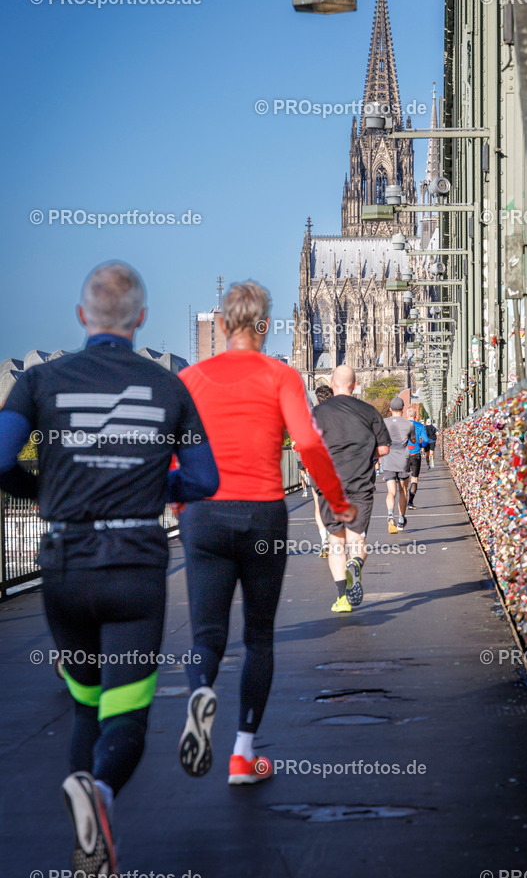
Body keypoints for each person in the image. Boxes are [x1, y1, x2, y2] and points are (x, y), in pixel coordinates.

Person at [0, 262, 219, 878]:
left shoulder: (40, 382)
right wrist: (153, 481)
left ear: (81, 317)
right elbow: (204, 479)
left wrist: (39, 489)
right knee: (126, 714)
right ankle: (96, 795)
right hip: (135, 568)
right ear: (141, 320)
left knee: (86, 705)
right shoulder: (169, 388)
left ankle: (91, 847)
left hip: (64, 567)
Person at [177, 282, 355, 785]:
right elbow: (309, 445)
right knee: (258, 636)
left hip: (204, 516)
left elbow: (173, 450)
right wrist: (337, 502)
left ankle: (199, 692)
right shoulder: (280, 375)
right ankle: (243, 754)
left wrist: (178, 501)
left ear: (222, 325)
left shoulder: (189, 378)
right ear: (265, 326)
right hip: (262, 514)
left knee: (207, 633)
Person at [313, 365, 390, 612]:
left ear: (332, 383)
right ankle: (356, 563)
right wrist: (363, 453)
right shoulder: (369, 412)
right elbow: (385, 448)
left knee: (336, 542)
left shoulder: (316, 412)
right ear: (355, 385)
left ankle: (342, 599)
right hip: (360, 484)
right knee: (357, 539)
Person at [382, 397, 416, 533]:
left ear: (390, 409)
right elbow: (412, 440)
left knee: (391, 491)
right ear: (403, 409)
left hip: (388, 458)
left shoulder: (383, 423)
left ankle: (390, 514)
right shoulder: (409, 424)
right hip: (403, 458)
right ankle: (401, 518)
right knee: (403, 490)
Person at [311, 384, 334, 557]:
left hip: (318, 465)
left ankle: (324, 539)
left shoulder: (311, 415)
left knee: (319, 504)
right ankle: (336, 538)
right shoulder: (341, 414)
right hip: (338, 465)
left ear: (317, 400)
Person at [406, 406, 430, 509]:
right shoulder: (420, 426)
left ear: (407, 415)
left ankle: (402, 499)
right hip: (415, 455)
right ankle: (410, 502)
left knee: (404, 479)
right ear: (416, 416)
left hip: (403, 455)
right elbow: (425, 440)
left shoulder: (402, 425)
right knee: (414, 479)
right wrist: (421, 446)